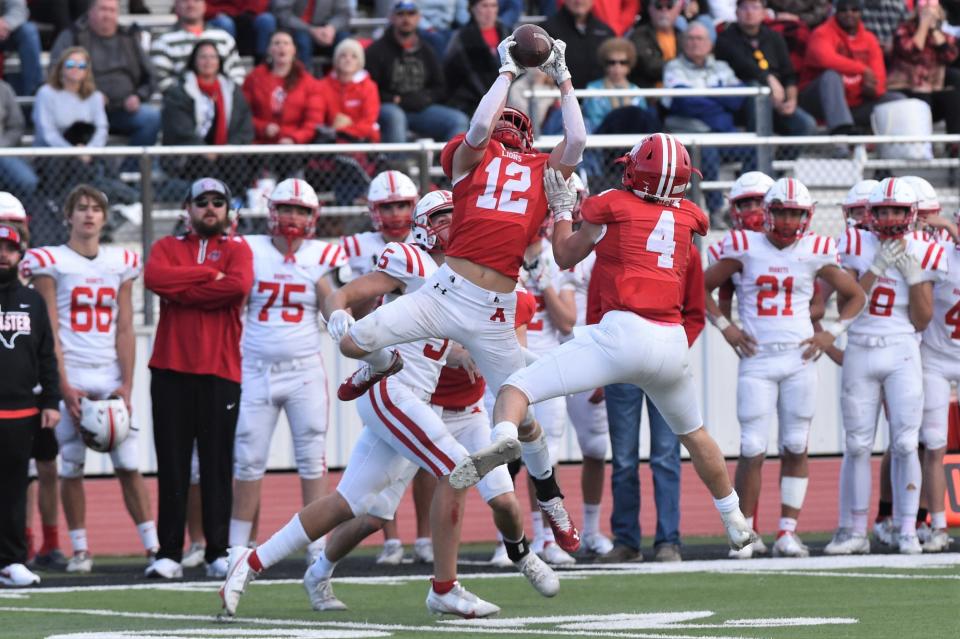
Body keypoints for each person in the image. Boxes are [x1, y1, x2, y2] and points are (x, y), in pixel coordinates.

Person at [222, 190, 559, 618]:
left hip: (413, 397)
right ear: (422, 226)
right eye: (442, 218)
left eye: (457, 217)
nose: (453, 225)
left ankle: (247, 565)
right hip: (392, 388)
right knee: (459, 467)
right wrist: (340, 317)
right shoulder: (411, 259)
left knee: (345, 504)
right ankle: (444, 588)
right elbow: (343, 294)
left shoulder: (469, 277)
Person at [332, 36, 587, 562]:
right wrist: (507, 73)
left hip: (494, 308)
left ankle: (551, 498)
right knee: (352, 341)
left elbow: (578, 140)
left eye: (516, 127)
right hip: (449, 292)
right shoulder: (473, 159)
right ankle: (376, 365)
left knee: (523, 410)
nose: (508, 132)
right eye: (504, 125)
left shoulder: (542, 171)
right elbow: (476, 129)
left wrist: (563, 78)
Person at [467, 133, 759, 558]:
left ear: (635, 171)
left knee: (515, 388)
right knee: (695, 435)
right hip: (671, 343)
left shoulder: (612, 204)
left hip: (623, 334)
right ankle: (734, 518)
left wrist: (563, 209)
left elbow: (565, 255)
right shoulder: (690, 218)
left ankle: (505, 437)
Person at [704, 177, 866, 559]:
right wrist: (726, 327)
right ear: (767, 213)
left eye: (796, 213)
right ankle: (747, 532)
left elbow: (856, 294)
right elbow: (699, 287)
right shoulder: (744, 246)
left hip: (799, 359)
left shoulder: (815, 250)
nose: (790, 221)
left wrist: (830, 333)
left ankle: (788, 532)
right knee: (752, 448)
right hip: (758, 360)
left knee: (796, 445)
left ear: (807, 216)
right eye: (782, 212)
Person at [20, 185, 159, 574]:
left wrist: (127, 384)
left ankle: (153, 547)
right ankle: (80, 548)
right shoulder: (51, 261)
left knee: (129, 463)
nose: (88, 215)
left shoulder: (120, 263)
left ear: (104, 217)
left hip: (109, 374)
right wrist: (62, 384)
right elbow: (50, 329)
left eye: (95, 209)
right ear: (68, 216)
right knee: (71, 466)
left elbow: (125, 329)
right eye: (81, 208)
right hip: (73, 371)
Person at [227, 179, 347, 564]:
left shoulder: (323, 256)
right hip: (255, 366)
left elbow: (331, 303)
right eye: (288, 209)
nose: (294, 218)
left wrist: (341, 317)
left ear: (314, 217)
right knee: (247, 458)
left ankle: (316, 549)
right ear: (272, 211)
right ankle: (236, 549)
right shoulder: (248, 249)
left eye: (301, 210)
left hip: (303, 370)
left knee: (312, 457)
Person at [826, 177, 947, 556]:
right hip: (861, 343)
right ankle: (853, 530)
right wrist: (875, 269)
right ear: (870, 213)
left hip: (901, 348)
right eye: (883, 210)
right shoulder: (851, 243)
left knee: (906, 443)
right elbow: (848, 299)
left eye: (897, 210)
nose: (890, 216)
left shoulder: (925, 249)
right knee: (857, 445)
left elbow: (923, 319)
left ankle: (908, 528)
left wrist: (913, 278)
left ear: (910, 214)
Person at [144, 178, 254, 579]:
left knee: (216, 464)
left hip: (220, 370)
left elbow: (238, 286)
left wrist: (186, 284)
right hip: (170, 368)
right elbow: (156, 279)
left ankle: (217, 552)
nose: (210, 208)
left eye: (218, 202)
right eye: (202, 202)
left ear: (228, 209)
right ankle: (168, 553)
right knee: (172, 464)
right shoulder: (165, 248)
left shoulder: (239, 250)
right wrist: (211, 276)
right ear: (187, 208)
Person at [336, 170, 433, 564]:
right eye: (387, 206)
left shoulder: (423, 247)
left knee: (425, 454)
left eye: (402, 206)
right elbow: (351, 304)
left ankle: (424, 536)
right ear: (373, 210)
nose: (394, 214)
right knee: (387, 453)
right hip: (379, 358)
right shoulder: (358, 247)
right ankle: (390, 535)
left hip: (422, 359)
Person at [600, 233, 706, 564]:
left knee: (665, 454)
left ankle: (668, 540)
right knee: (624, 458)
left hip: (662, 365)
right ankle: (627, 541)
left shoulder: (686, 251)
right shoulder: (613, 246)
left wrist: (670, 350)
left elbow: (695, 312)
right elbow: (597, 308)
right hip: (622, 365)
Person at [0, 223, 59, 587]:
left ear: (20, 255)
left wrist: (51, 401)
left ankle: (10, 561)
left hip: (21, 413)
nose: (2, 255)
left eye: (9, 248)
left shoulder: (33, 300)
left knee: (14, 490)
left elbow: (46, 355)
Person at [663, 22, 754, 220]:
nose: (695, 43)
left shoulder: (722, 67)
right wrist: (720, 107)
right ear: (683, 43)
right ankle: (716, 211)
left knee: (755, 149)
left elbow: (738, 98)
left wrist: (706, 99)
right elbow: (684, 101)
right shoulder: (673, 67)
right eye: (691, 38)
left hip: (723, 135)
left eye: (700, 39)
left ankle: (743, 205)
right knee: (707, 150)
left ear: (710, 44)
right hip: (693, 137)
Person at [50, 0, 161, 148]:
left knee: (151, 118)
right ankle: (93, 170)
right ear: (90, 12)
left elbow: (152, 76)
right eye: (103, 9)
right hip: (83, 109)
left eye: (112, 10)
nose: (107, 15)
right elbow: (54, 71)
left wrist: (139, 96)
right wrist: (87, 95)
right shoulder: (72, 35)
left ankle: (131, 170)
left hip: (124, 109)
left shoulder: (129, 37)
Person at [366, 1, 469, 144]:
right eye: (400, 14)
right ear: (391, 18)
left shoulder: (427, 50)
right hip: (389, 108)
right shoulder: (376, 50)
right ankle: (399, 164)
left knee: (458, 120)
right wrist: (396, 100)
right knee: (396, 116)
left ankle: (448, 164)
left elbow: (440, 87)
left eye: (411, 14)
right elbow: (367, 88)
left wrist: (425, 98)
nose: (406, 19)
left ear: (419, 18)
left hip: (420, 109)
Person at [161, 40, 254, 197]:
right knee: (206, 167)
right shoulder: (179, 92)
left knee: (237, 166)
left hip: (226, 154)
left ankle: (233, 210)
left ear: (219, 62)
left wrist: (228, 148)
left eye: (213, 57)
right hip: (191, 156)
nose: (208, 61)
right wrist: (204, 149)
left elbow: (244, 128)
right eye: (203, 57)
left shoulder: (233, 91)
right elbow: (179, 129)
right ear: (194, 61)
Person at [918, 204, 960, 552]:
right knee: (934, 443)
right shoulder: (940, 254)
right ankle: (938, 526)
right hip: (935, 359)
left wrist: (948, 225)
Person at [799, 0, 905, 134]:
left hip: (855, 104)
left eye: (854, 10)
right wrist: (862, 69)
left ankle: (897, 148)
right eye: (844, 10)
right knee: (831, 76)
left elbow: (879, 81)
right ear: (836, 13)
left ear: (861, 13)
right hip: (817, 103)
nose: (849, 14)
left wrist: (873, 90)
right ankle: (841, 136)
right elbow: (824, 59)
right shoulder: (822, 33)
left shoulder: (869, 39)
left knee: (897, 100)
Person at [715, 0, 817, 136]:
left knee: (807, 124)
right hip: (743, 104)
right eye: (744, 8)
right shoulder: (726, 38)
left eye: (755, 7)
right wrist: (769, 80)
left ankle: (785, 156)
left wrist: (791, 100)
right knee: (755, 87)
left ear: (764, 13)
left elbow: (789, 75)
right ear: (736, 12)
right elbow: (744, 66)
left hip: (778, 101)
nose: (749, 12)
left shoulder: (774, 37)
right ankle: (759, 155)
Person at [887, 0, 960, 134]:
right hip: (905, 89)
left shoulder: (944, 35)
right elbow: (913, 51)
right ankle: (924, 147)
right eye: (924, 6)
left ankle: (955, 147)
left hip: (931, 90)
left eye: (932, 6)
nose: (928, 11)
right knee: (923, 97)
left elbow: (950, 55)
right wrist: (924, 26)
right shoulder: (904, 30)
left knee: (954, 98)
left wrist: (933, 30)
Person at [243, 30, 325, 145]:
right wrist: (262, 127)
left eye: (286, 43)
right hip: (260, 146)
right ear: (269, 50)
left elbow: (313, 121)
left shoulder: (309, 83)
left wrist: (294, 138)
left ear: (294, 50)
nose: (282, 47)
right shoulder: (254, 78)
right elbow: (243, 115)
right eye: (277, 43)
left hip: (295, 149)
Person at [150, 0, 246, 93]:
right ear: (176, 6)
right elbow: (160, 80)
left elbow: (237, 75)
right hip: (179, 105)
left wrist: (221, 96)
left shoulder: (224, 38)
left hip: (221, 103)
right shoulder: (163, 41)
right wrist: (192, 97)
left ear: (205, 5)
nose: (191, 4)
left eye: (196, 0)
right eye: (185, 1)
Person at [443, 0, 511, 117]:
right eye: (484, 6)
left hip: (507, 97)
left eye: (493, 6)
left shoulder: (507, 33)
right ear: (472, 8)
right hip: (470, 102)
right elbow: (458, 76)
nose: (489, 11)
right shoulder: (461, 37)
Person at [582, 38, 660, 134]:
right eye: (612, 62)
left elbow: (643, 122)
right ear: (605, 65)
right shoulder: (593, 89)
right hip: (604, 140)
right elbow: (594, 122)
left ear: (629, 66)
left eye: (623, 62)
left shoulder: (635, 90)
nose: (617, 67)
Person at [315, 39, 381, 143]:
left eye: (354, 56)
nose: (348, 59)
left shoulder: (369, 87)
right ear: (336, 60)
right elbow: (317, 117)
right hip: (332, 139)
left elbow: (369, 121)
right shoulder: (323, 86)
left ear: (359, 62)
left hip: (360, 139)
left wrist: (345, 128)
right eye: (343, 55)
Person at [543, 0, 617, 88]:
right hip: (558, 96)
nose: (579, 1)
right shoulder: (546, 30)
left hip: (598, 98)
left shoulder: (606, 32)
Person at [269, 0, 353, 68]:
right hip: (298, 28)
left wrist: (331, 28)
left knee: (344, 41)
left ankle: (342, 84)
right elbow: (281, 13)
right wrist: (310, 30)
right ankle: (302, 82)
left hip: (326, 30)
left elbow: (343, 13)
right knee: (302, 39)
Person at [627, 0, 684, 88]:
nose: (664, 11)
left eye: (669, 6)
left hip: (679, 94)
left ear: (678, 10)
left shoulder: (684, 36)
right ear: (650, 9)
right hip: (650, 95)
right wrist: (683, 67)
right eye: (658, 6)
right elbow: (651, 67)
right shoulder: (639, 35)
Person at [0, 78, 37, 198]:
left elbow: (16, 126)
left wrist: (2, 145)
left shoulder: (4, 89)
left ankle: (17, 214)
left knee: (28, 181)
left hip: (2, 152)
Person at [0, 0, 42, 95]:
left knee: (28, 31)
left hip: (5, 32)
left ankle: (33, 92)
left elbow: (19, 9)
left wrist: (6, 23)